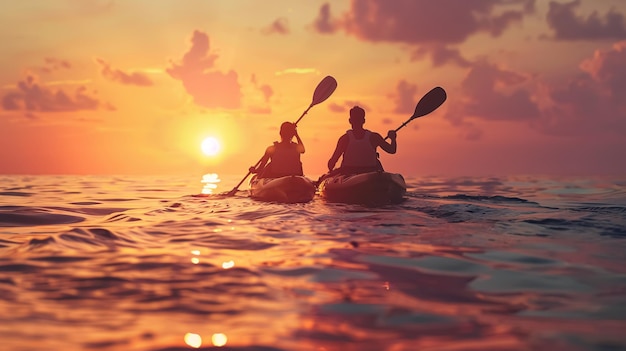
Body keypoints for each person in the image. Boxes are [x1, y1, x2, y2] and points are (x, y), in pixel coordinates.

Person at [327, 105, 397, 175]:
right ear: (363, 121)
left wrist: (331, 170)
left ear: (350, 121)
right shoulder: (374, 137)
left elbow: (331, 163)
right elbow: (392, 150)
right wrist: (393, 139)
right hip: (370, 172)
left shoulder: (344, 139)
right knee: (377, 162)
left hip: (349, 172)